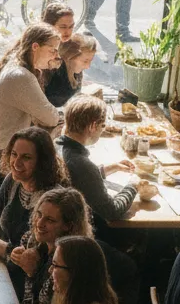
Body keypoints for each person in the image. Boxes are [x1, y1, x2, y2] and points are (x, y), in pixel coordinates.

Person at [11, 187, 92, 304]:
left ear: (68, 226)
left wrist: (31, 275)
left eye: (50, 220)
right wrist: (15, 257)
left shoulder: (67, 262)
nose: (39, 223)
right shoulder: (34, 242)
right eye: (39, 215)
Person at [0, 127, 67, 266]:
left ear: (42, 162)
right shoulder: (12, 180)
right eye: (14, 154)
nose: (16, 163)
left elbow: (34, 260)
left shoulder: (54, 198)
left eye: (26, 157)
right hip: (2, 265)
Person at [0, 22, 62, 167]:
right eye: (53, 50)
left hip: (0, 148)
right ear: (35, 47)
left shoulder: (14, 64)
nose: (57, 56)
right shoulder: (21, 76)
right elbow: (51, 118)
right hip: (6, 155)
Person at [56, 94, 137, 233]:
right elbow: (112, 212)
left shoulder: (59, 146)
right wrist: (134, 186)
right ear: (93, 126)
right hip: (82, 234)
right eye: (103, 125)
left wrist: (110, 168)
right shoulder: (82, 164)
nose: (102, 130)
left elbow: (78, 178)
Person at [45, 33, 98, 109]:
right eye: (85, 61)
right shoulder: (54, 77)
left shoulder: (77, 72)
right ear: (69, 57)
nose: (88, 66)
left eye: (90, 61)